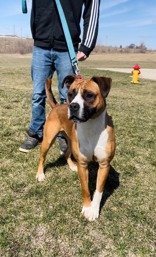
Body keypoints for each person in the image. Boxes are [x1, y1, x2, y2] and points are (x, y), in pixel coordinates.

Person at [19, 0, 100, 153]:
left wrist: (87, 46)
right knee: (37, 94)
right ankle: (35, 132)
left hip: (67, 48)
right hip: (41, 45)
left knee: (67, 96)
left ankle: (65, 134)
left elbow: (92, 8)